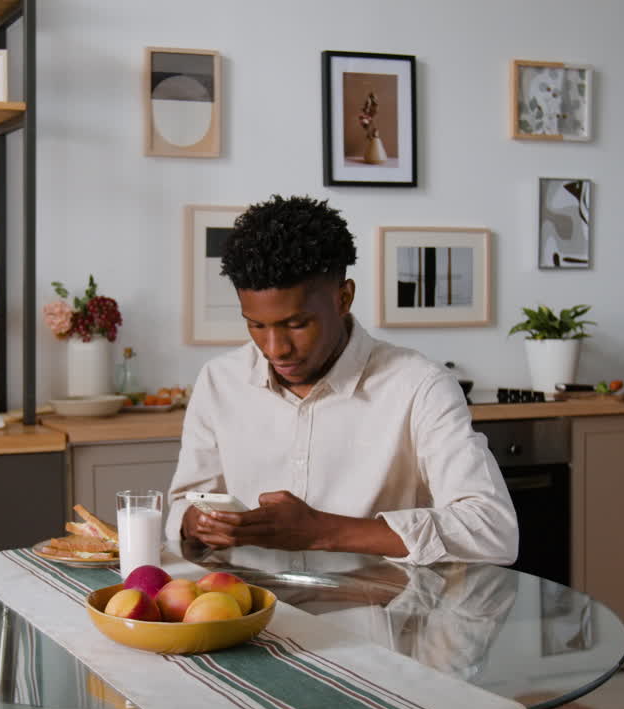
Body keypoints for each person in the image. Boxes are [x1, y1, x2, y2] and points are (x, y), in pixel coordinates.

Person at [165, 195, 518, 565]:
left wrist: (322, 531)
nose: (275, 348)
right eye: (256, 325)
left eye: (296, 324)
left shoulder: (420, 386)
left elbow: (493, 530)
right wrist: (195, 522)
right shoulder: (219, 381)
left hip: (377, 616)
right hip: (252, 613)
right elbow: (185, 503)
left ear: (344, 297)